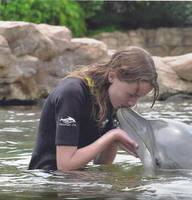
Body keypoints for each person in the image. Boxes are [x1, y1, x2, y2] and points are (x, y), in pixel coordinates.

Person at [28, 46, 159, 171]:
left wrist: (114, 140)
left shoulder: (112, 101)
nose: (132, 102)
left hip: (73, 181)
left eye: (138, 97)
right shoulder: (72, 93)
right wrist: (112, 135)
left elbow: (102, 164)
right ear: (112, 76)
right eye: (130, 95)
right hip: (48, 180)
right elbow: (65, 165)